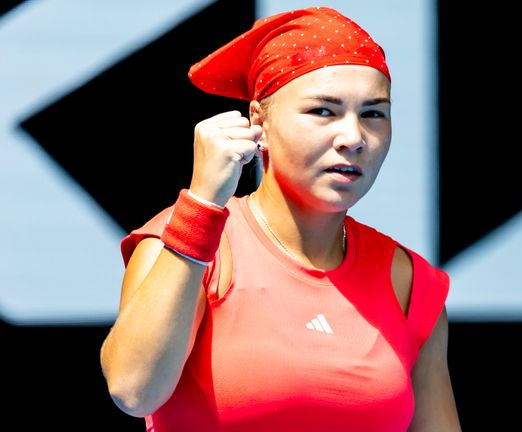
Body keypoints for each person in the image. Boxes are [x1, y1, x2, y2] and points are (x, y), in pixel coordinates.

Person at [100, 6, 461, 431]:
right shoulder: (184, 240)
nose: (353, 138)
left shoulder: (410, 281)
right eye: (323, 111)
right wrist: (201, 205)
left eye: (373, 113)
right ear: (259, 122)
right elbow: (132, 389)